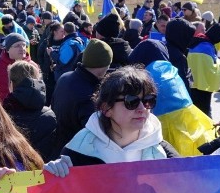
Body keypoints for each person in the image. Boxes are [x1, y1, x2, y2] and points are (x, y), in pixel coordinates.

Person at [45, 65, 180, 177]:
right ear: (106, 108)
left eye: (148, 100)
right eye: (131, 101)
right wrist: (54, 174)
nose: (142, 108)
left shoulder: (163, 152)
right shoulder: (78, 151)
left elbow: (189, 192)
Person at [52, 39, 114, 152]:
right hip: (75, 154)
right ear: (103, 66)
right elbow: (95, 135)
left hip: (57, 144)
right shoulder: (90, 95)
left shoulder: (64, 78)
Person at [3, 60, 58, 161]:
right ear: (37, 82)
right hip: (42, 172)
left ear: (11, 84)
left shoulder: (2, 115)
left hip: (11, 173)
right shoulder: (50, 115)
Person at [0, 33, 31, 101]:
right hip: (2, 108)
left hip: (26, 109)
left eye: (24, 45)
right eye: (17, 46)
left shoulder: (32, 66)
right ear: (8, 49)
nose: (22, 48)